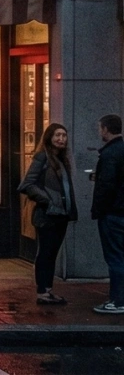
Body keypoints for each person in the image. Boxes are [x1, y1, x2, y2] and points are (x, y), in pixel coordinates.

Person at [18, 122, 77, 305]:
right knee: (45, 253)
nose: (61, 139)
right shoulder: (42, 157)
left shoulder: (61, 160)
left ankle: (48, 290)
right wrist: (48, 200)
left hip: (61, 215)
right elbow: (27, 185)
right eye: (57, 135)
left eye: (64, 136)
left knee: (52, 253)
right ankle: (42, 291)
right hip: (46, 215)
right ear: (49, 137)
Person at [92, 113, 124, 314]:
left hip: (112, 213)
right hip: (120, 210)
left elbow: (107, 186)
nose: (99, 132)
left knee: (115, 257)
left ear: (106, 129)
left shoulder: (110, 154)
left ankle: (118, 300)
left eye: (100, 128)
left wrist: (99, 210)